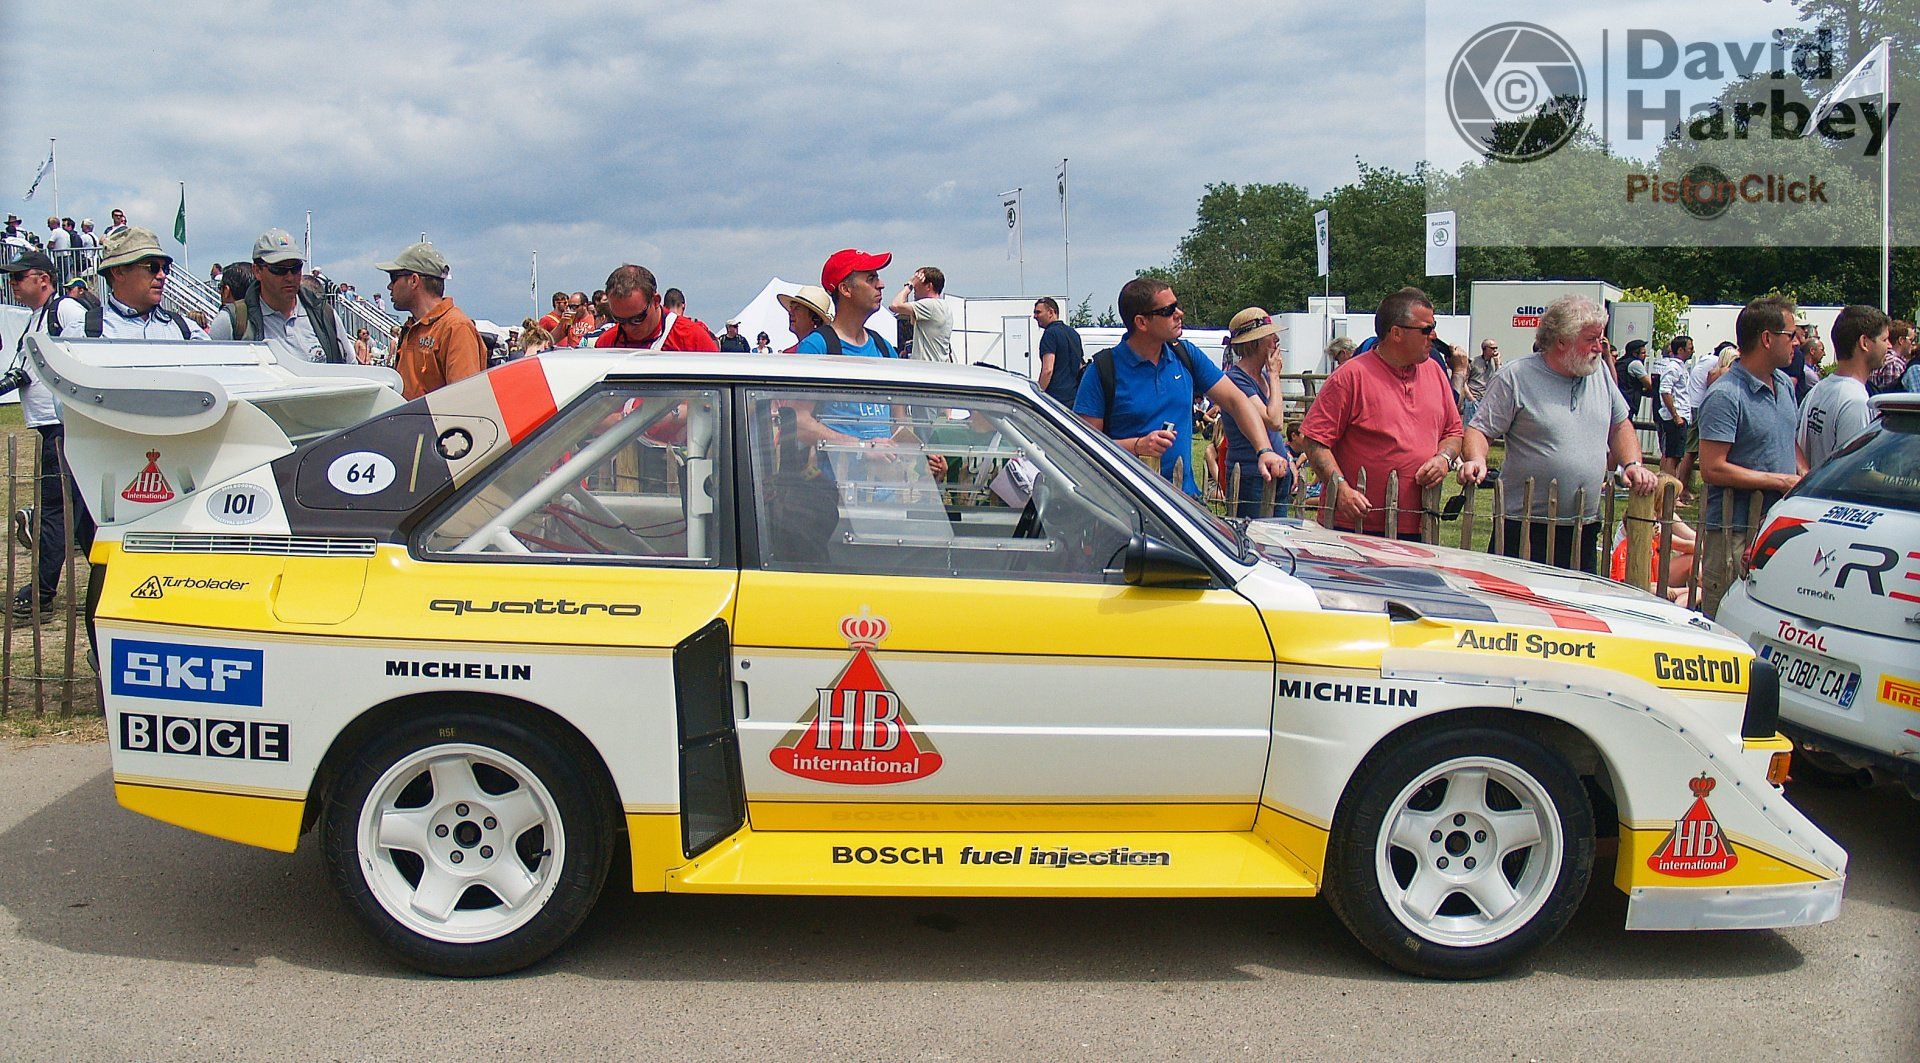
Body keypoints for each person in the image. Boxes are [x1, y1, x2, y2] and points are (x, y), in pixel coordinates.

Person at [1459, 296, 1657, 572]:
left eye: (1600, 338)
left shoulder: (1598, 373)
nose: (1599, 347)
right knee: (1518, 608)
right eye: (1591, 339)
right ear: (1562, 341)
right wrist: (1477, 460)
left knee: (1575, 610)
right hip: (1524, 526)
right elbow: (1479, 430)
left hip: (1582, 525)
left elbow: (1619, 425)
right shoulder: (1516, 376)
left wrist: (1632, 463)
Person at [1074, 277, 1286, 495]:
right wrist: (1136, 446)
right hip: (1125, 503)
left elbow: (1236, 401)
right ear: (1141, 322)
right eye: (1168, 310)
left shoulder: (1184, 354)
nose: (1180, 313)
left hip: (1183, 502)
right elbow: (1083, 444)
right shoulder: (1102, 370)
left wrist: (1264, 450)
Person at [1300, 287, 1463, 537]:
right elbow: (1314, 441)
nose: (1433, 336)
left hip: (1417, 525)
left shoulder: (1435, 372)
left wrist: (1444, 459)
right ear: (1396, 333)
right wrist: (1341, 489)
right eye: (1426, 329)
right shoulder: (1351, 376)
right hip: (1354, 525)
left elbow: (1453, 432)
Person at [1, 251, 94, 621]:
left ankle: (40, 594)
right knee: (85, 515)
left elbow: (78, 357)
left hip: (64, 424)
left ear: (43, 278)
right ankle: (108, 578)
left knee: (54, 511)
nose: (12, 284)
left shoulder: (65, 311)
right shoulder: (37, 318)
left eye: (18, 276)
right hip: (51, 424)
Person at [1698, 296, 1805, 547]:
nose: (1797, 343)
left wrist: (1805, 476)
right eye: (1791, 335)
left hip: (1777, 525)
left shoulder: (1784, 385)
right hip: (1734, 531)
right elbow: (1712, 467)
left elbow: (1789, 440)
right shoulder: (1725, 395)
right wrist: (1780, 481)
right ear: (1767, 339)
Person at [208, 228, 354, 363]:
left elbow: (351, 371)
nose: (290, 277)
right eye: (279, 269)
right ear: (257, 271)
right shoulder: (232, 322)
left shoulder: (324, 315)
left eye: (296, 268)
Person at [379, 241, 484, 400]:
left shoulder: (456, 327)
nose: (389, 286)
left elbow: (464, 402)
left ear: (414, 281)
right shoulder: (412, 328)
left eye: (394, 278)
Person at [1218, 307, 1294, 515]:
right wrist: (1275, 375)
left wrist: (1287, 457)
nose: (1276, 339)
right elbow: (1274, 420)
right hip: (1252, 476)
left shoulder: (1264, 378)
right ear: (1255, 342)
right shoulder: (1237, 379)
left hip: (1277, 471)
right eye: (1270, 335)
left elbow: (1275, 431)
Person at [1798, 304, 1890, 470]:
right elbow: (1856, 473)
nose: (1889, 346)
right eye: (1884, 340)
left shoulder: (1818, 389)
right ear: (1864, 343)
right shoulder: (1855, 402)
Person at [95, 227, 207, 339]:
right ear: (118, 272)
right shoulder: (86, 333)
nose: (162, 275)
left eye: (165, 268)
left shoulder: (188, 331)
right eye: (153, 267)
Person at [597, 265, 721, 352]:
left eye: (637, 319)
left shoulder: (692, 339)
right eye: (620, 320)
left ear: (656, 301)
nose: (628, 328)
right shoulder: (606, 345)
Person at [888, 266, 954, 362]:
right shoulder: (943, 306)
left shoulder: (931, 305)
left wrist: (909, 285)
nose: (914, 287)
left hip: (926, 368)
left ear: (928, 286)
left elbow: (895, 306)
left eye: (917, 282)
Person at [1033, 296, 1084, 406]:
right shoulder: (1073, 333)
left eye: (1038, 312)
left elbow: (1048, 370)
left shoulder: (1050, 334)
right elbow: (1079, 365)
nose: (1035, 317)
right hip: (1074, 398)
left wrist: (1037, 394)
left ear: (1051, 312)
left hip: (1055, 399)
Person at [777, 285, 833, 351]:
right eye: (791, 308)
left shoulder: (821, 350)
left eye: (797, 308)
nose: (790, 312)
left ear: (814, 318)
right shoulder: (789, 353)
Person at [1868, 319, 1912, 394]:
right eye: (1911, 339)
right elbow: (1893, 398)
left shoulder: (1882, 358)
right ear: (1901, 340)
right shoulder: (1894, 364)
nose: (1913, 344)